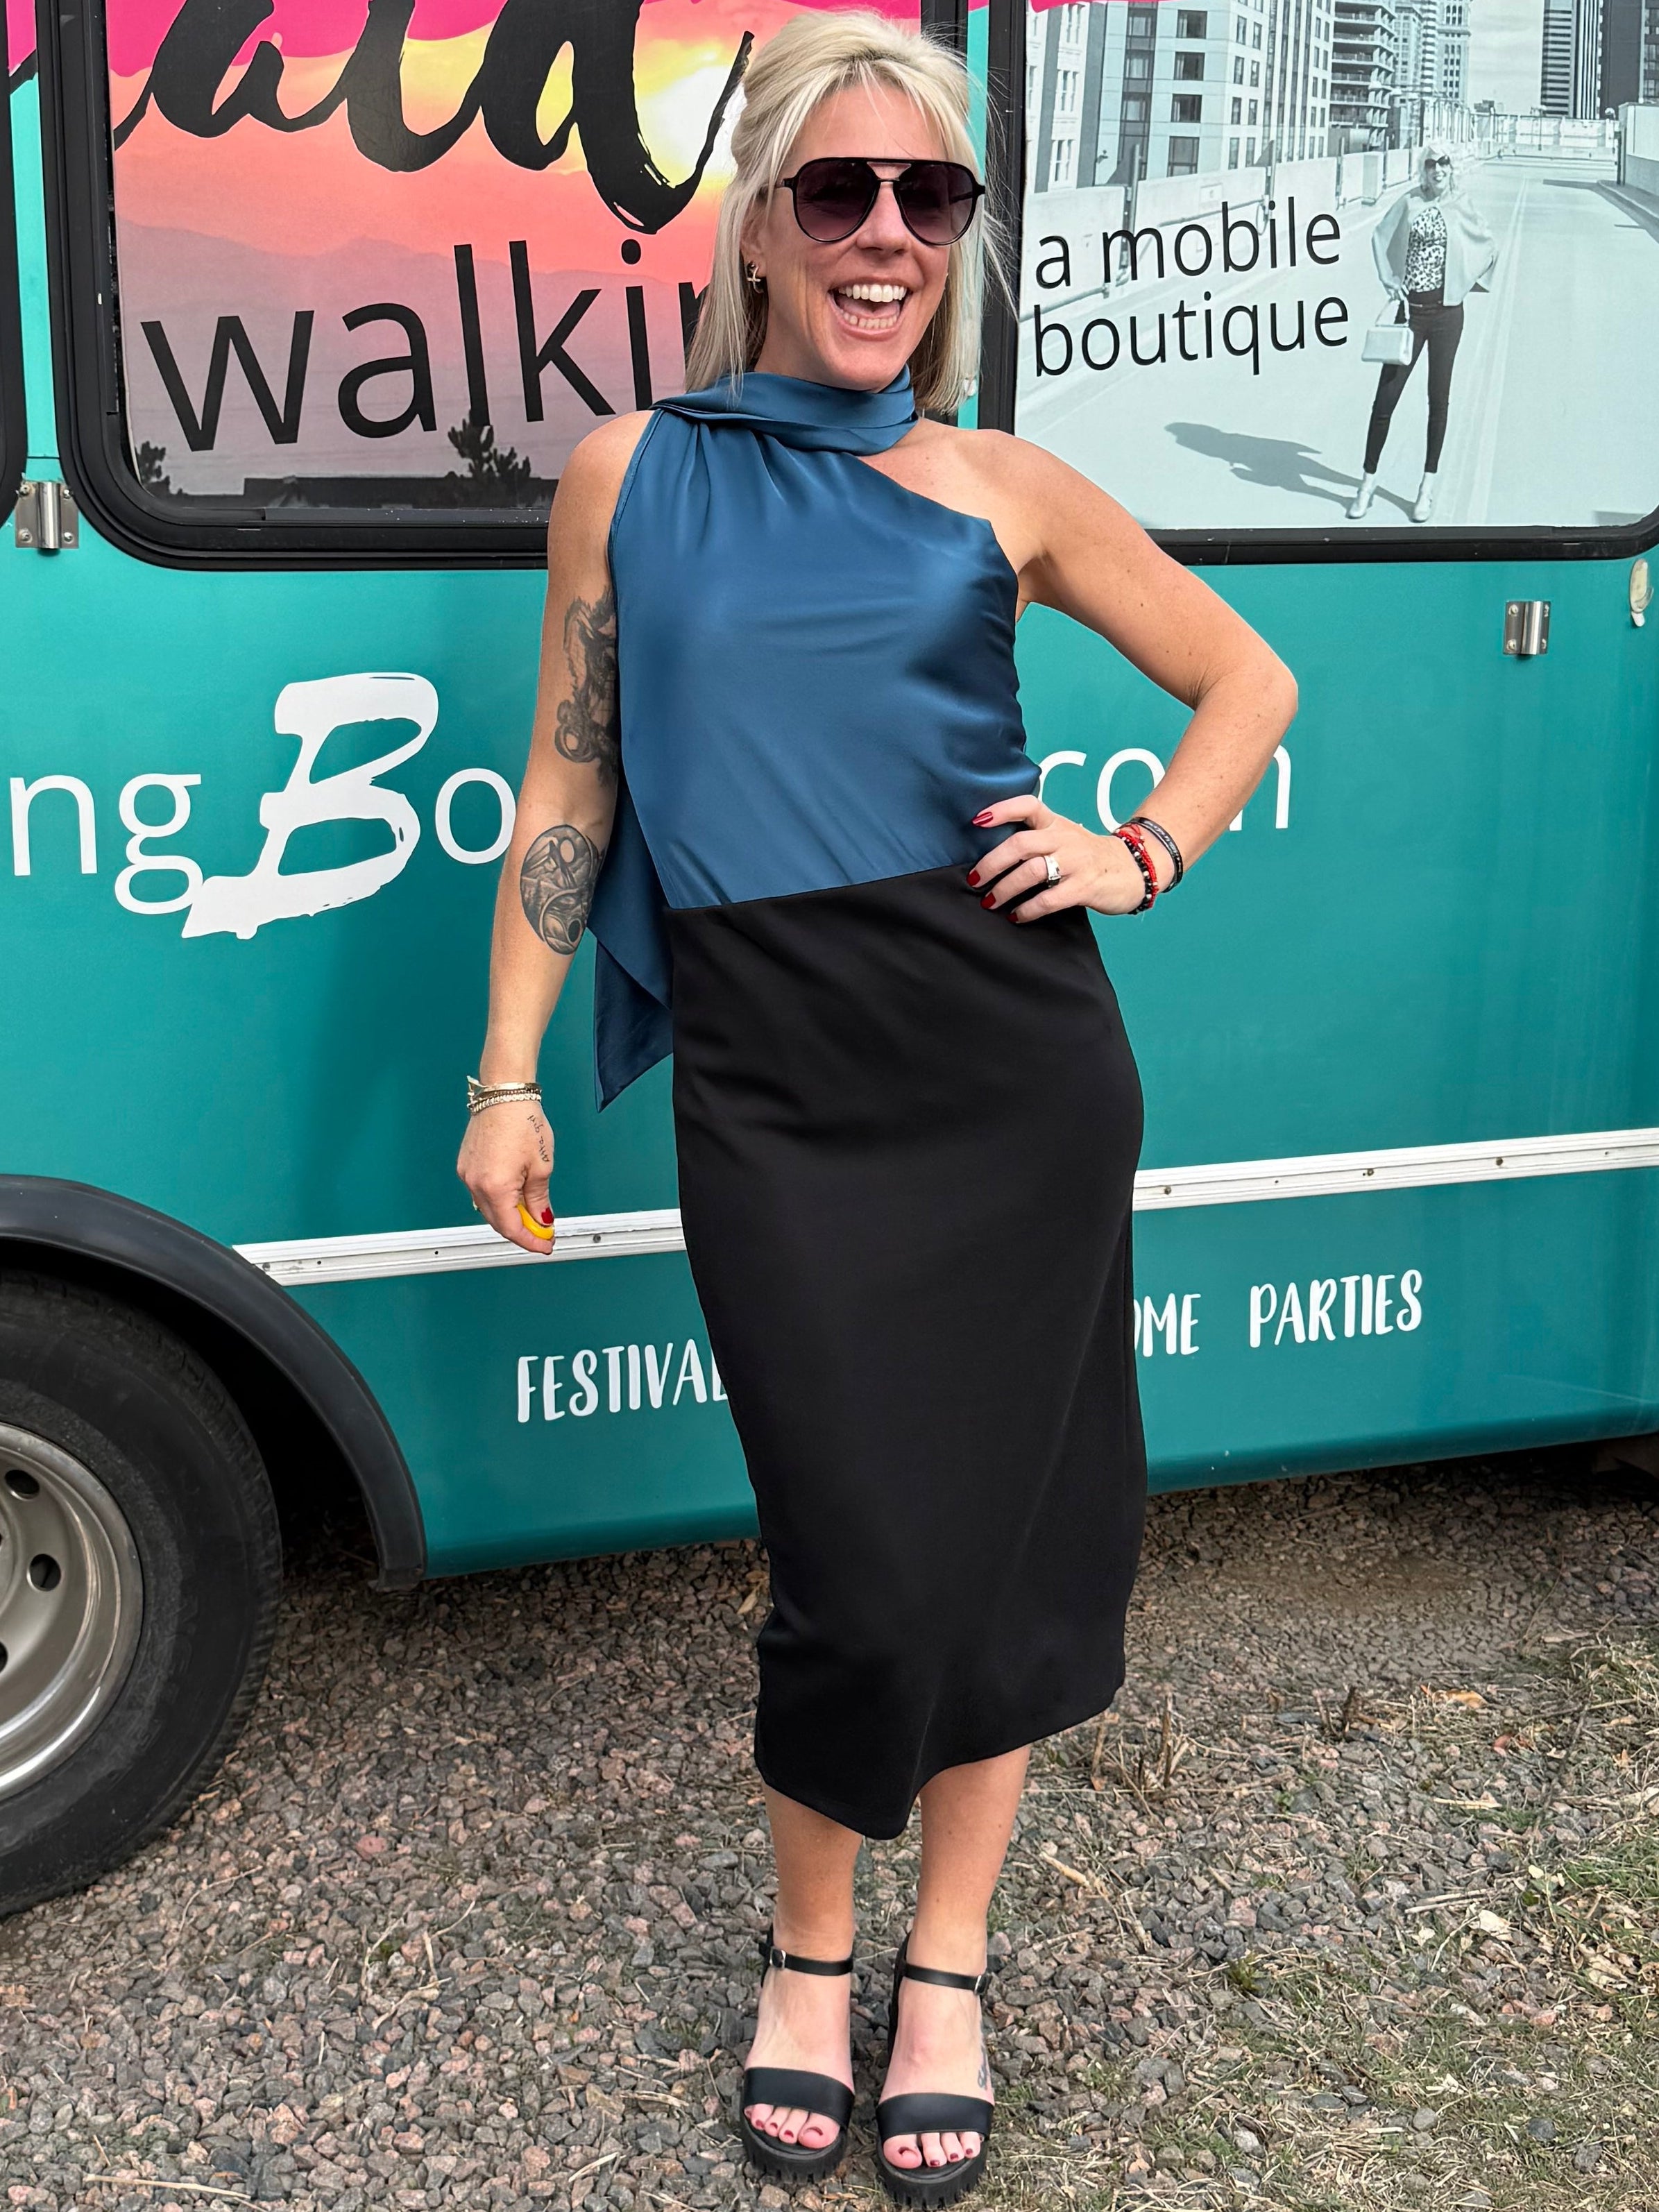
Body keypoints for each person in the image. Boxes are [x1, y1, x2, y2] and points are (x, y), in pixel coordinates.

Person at [457, 11, 1295, 2200]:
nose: (887, 237)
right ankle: (806, 1946)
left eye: (929, 201)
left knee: (1006, 1537)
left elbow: (1242, 677)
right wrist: (508, 1071)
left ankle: (945, 1963)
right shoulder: (630, 471)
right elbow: (576, 773)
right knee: (851, 1555)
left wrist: (1142, 848)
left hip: (1005, 1066)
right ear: (757, 224)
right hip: (773, 1082)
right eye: (838, 192)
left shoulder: (999, 485)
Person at [1349, 142, 1497, 524]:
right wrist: (1390, 279)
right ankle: (1367, 484)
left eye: (1444, 164)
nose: (1438, 170)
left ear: (1451, 168)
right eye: (1431, 164)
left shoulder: (1461, 204)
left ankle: (1425, 489)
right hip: (1411, 313)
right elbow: (1381, 237)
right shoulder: (1410, 202)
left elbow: (1487, 246)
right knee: (1385, 401)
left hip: (1449, 316)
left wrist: (1465, 282)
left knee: (1439, 401)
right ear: (1424, 170)